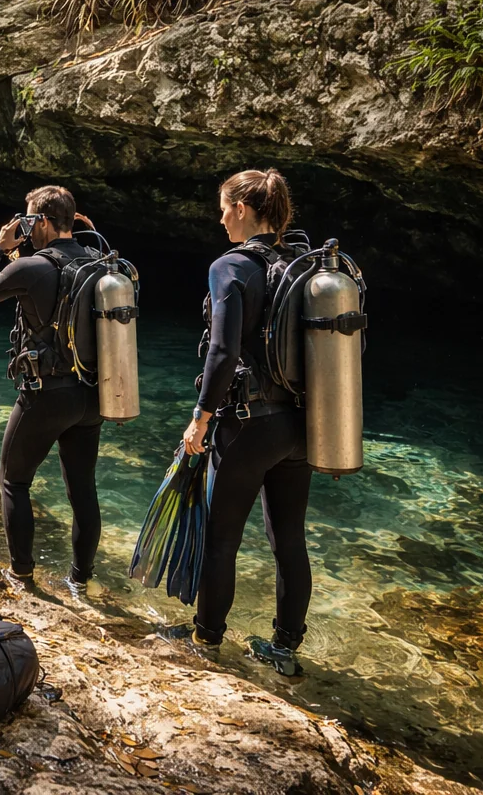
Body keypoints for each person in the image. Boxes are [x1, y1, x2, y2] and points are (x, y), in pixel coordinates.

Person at [161, 168, 312, 675]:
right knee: (289, 538)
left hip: (248, 425)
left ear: (243, 210)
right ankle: (285, 649)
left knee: (222, 536)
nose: (220, 217)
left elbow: (223, 351)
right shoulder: (301, 263)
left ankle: (206, 640)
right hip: (300, 425)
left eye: (224, 207)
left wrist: (201, 419)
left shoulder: (232, 266)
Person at [0, 185, 103, 597]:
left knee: (13, 480)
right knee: (83, 487)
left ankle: (21, 575)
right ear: (72, 221)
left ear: (41, 220)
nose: (23, 228)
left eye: (27, 219)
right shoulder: (99, 263)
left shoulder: (33, 268)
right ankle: (81, 579)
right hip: (92, 395)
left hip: (48, 394)